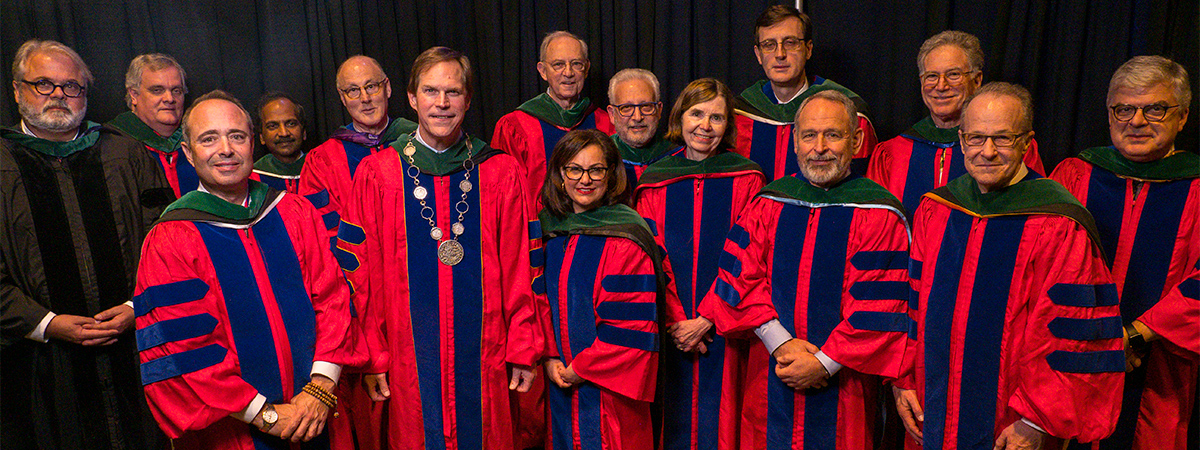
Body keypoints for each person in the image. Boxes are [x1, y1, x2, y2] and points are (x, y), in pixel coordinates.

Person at [894, 82, 1123, 450]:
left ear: (1026, 143)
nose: (987, 152)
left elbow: (1072, 334)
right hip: (932, 405)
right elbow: (913, 303)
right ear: (961, 140)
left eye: (1002, 138)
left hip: (1013, 421)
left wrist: (1036, 420)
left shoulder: (1059, 223)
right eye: (976, 138)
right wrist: (904, 379)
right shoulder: (937, 209)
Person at [336, 47, 538, 450]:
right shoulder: (378, 173)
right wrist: (374, 354)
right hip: (406, 359)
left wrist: (522, 344)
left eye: (453, 92)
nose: (441, 103)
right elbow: (360, 273)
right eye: (430, 91)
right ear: (412, 98)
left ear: (468, 99)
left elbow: (522, 265)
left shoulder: (500, 171)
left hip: (487, 352)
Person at [134, 90, 359, 449]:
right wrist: (266, 415)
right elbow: (185, 350)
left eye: (236, 136)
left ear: (252, 143)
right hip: (233, 432)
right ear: (188, 153)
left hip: (319, 415)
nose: (225, 149)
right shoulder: (171, 239)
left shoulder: (295, 213)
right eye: (209, 139)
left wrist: (320, 388)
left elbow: (333, 300)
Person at [693, 90, 911, 450]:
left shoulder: (880, 213)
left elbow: (879, 307)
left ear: (857, 141)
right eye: (809, 135)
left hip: (844, 386)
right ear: (795, 141)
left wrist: (823, 364)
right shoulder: (768, 202)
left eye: (833, 135)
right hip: (771, 374)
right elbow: (739, 279)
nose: (819, 147)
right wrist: (781, 344)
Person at [2, 39, 168, 450]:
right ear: (17, 90)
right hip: (38, 365)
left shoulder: (127, 154)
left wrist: (135, 307)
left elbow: (167, 245)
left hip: (135, 352)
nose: (58, 94)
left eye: (71, 86)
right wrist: (47, 323)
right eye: (43, 84)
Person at [1051, 55, 1198, 450]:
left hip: (1159, 371)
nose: (1136, 121)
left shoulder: (1197, 187)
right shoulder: (1074, 175)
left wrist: (1133, 335)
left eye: (1155, 109)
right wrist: (1095, 338)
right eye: (1124, 109)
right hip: (1070, 362)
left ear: (1182, 117)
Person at [633, 78, 765, 450]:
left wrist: (707, 317)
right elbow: (650, 256)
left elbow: (749, 255)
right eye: (697, 114)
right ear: (680, 117)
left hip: (725, 327)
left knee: (723, 420)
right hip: (670, 330)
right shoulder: (655, 180)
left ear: (728, 125)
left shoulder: (747, 179)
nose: (705, 126)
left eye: (716, 117)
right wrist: (676, 319)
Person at [537, 129, 671, 450]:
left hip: (611, 396)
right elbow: (536, 300)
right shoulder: (547, 232)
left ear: (611, 175)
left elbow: (632, 327)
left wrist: (580, 369)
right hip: (556, 386)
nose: (585, 179)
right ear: (560, 174)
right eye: (574, 169)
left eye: (596, 170)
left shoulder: (628, 236)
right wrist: (549, 356)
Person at [867, 31, 1045, 216]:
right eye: (931, 76)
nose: (941, 86)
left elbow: (1033, 214)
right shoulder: (893, 153)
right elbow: (876, 221)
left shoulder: (1009, 146)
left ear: (977, 80)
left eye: (953, 75)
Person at [734, 4, 877, 180]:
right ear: (758, 54)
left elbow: (861, 183)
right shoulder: (740, 115)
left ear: (808, 49)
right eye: (769, 45)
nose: (780, 54)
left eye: (790, 43)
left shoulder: (847, 112)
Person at [300, 55, 417, 249]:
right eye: (353, 90)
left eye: (371, 86)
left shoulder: (417, 140)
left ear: (387, 88)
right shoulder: (323, 161)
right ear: (342, 98)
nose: (365, 98)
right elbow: (323, 230)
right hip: (359, 264)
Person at [492, 31, 615, 214]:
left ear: (586, 69)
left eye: (576, 64)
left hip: (599, 225)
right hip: (539, 228)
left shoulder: (606, 122)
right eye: (558, 65)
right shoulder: (515, 126)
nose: (568, 73)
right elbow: (505, 196)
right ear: (543, 71)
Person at [106, 53, 199, 198]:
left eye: (176, 91)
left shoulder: (198, 141)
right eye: (157, 90)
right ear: (134, 95)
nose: (169, 99)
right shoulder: (112, 144)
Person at [608, 68, 672, 184]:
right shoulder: (603, 156)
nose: (637, 117)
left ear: (659, 110)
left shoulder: (678, 154)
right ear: (612, 114)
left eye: (646, 106)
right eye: (626, 108)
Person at [252, 92, 308, 193]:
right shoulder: (253, 178)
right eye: (273, 126)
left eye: (291, 124)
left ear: (303, 132)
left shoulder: (322, 170)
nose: (284, 133)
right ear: (261, 137)